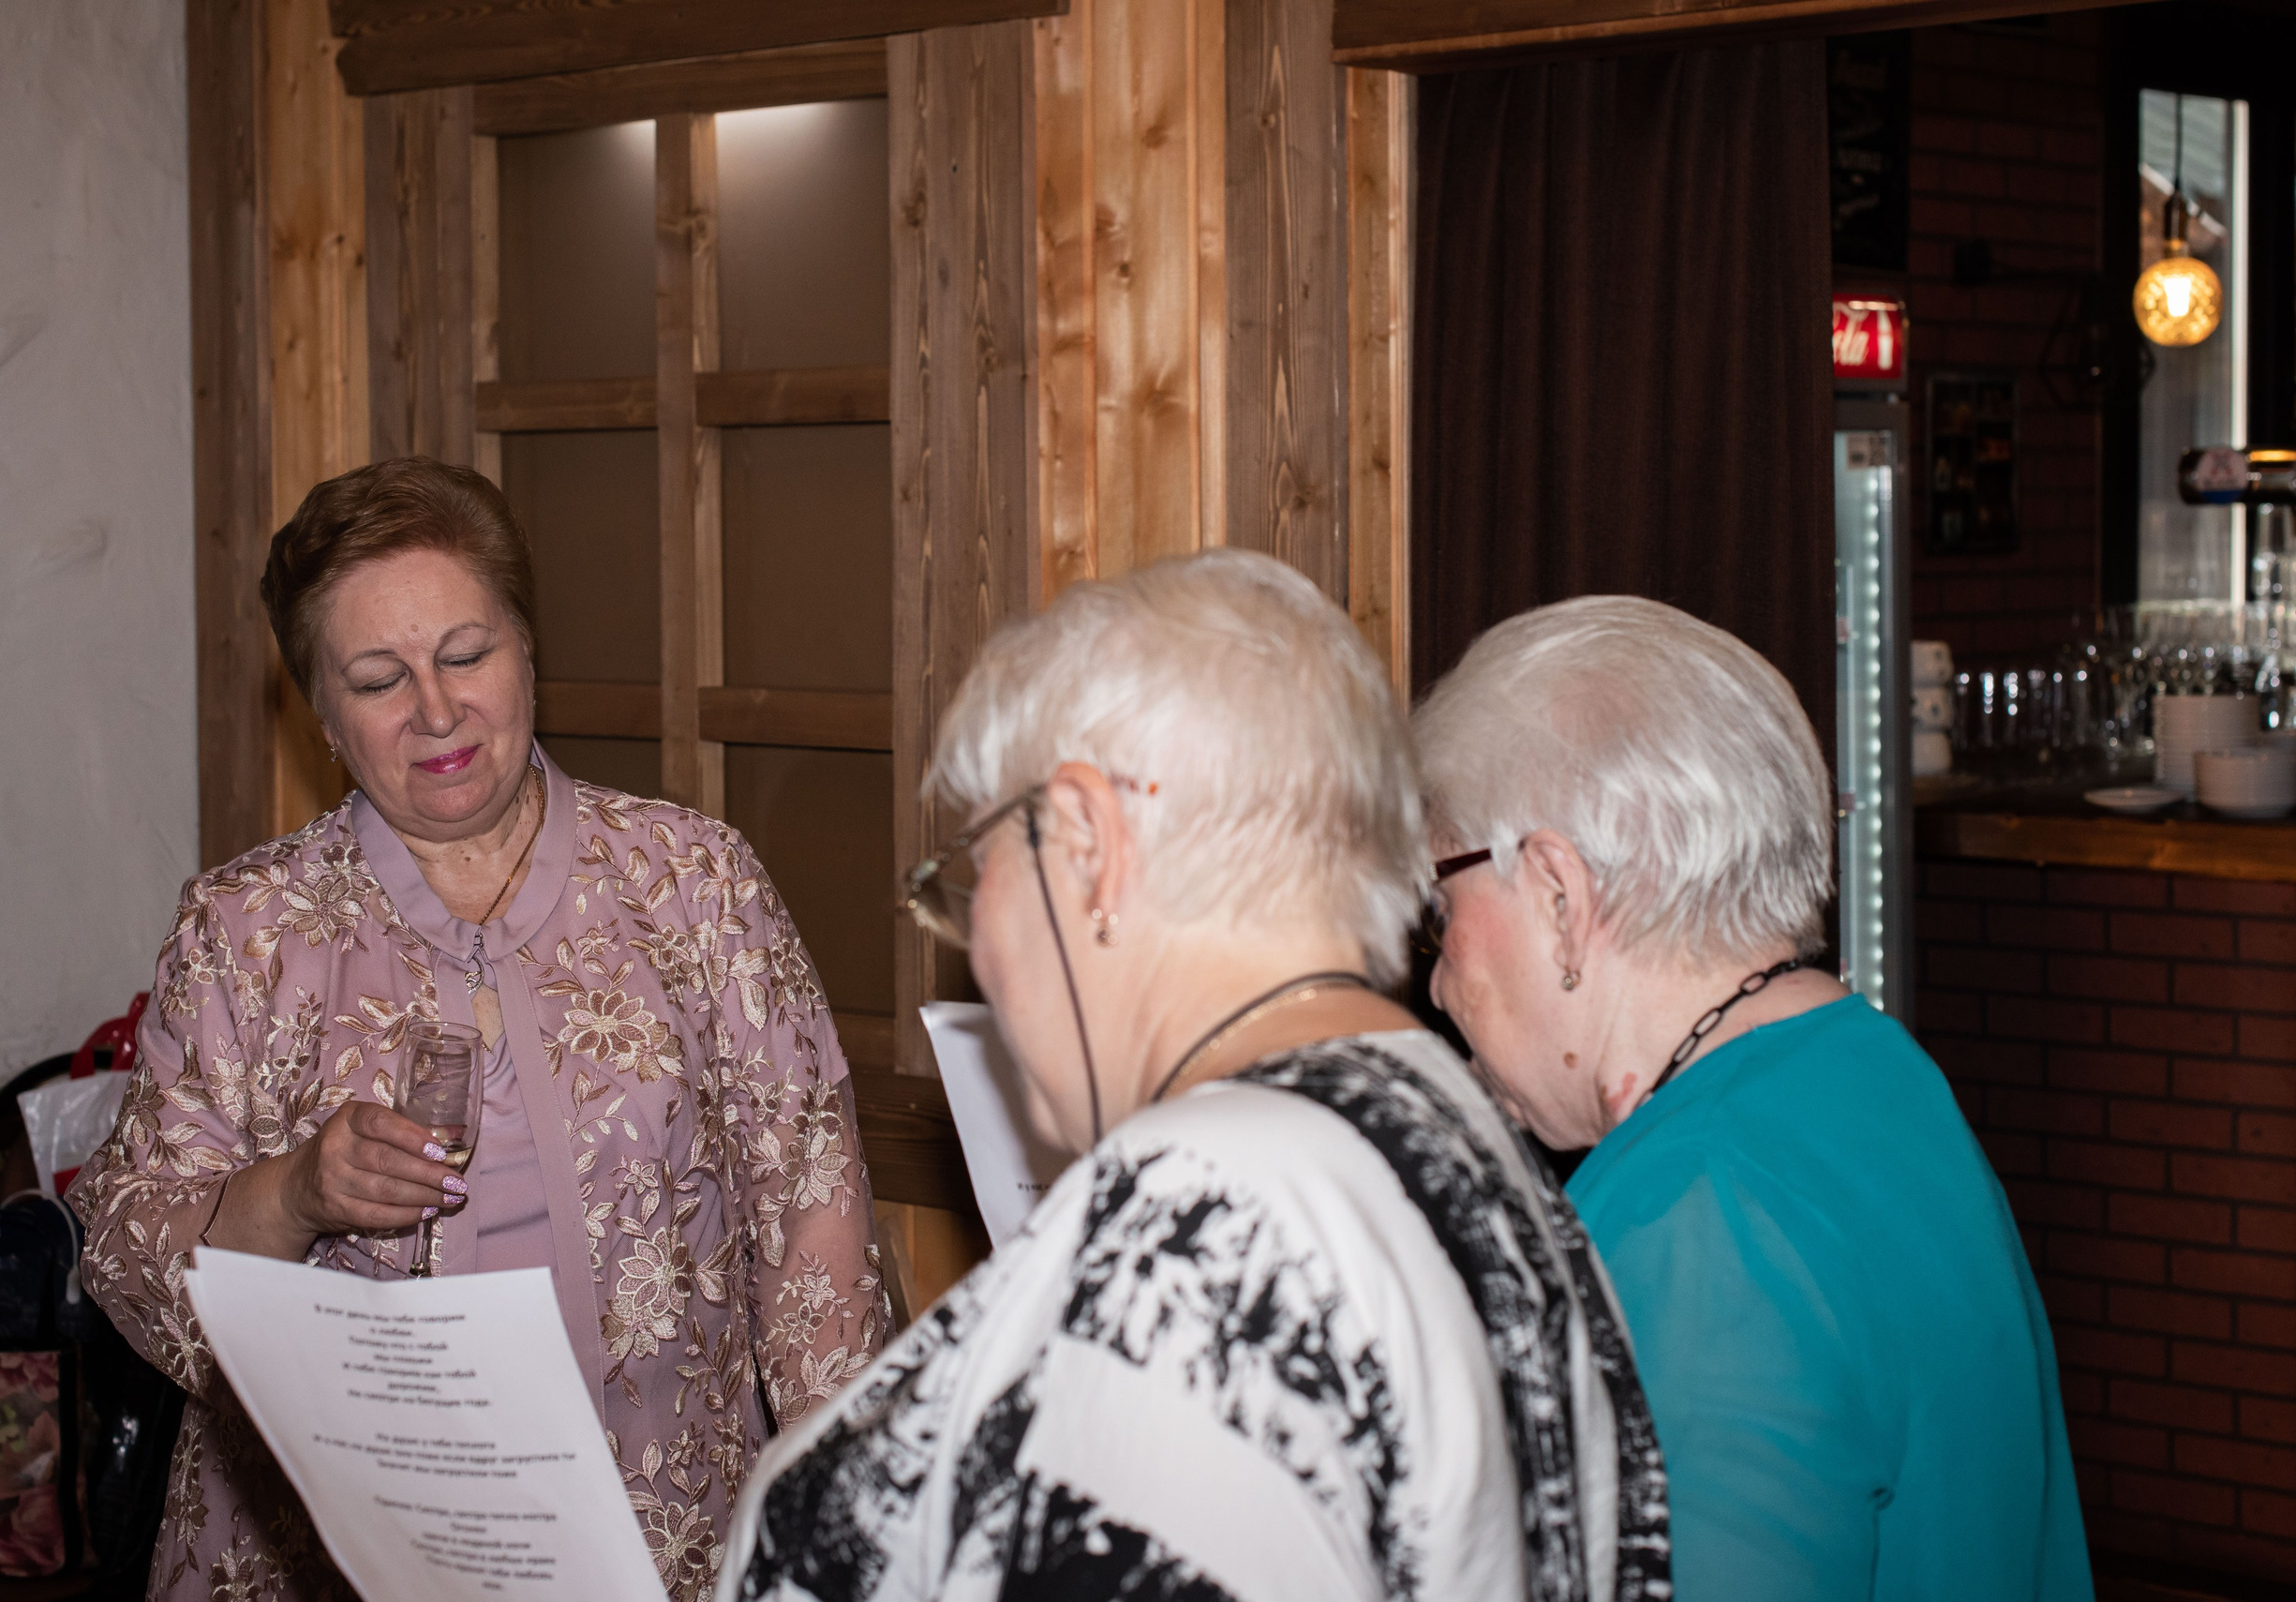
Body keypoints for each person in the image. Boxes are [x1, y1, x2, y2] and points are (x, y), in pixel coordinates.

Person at [716, 549, 1671, 1602]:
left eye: (980, 872)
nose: (973, 940)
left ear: (1087, 842)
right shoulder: (1469, 1145)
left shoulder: (1214, 1215)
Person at [69, 457, 885, 1602]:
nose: (438, 710)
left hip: (663, 1541)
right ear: (321, 712)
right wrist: (297, 1190)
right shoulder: (246, 930)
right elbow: (126, 1250)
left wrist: (838, 1531)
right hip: (328, 1556)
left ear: (528, 654)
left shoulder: (695, 882)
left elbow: (813, 1223)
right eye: (379, 676)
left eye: (465, 654)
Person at [1413, 595, 2091, 1602]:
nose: (1436, 976)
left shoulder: (1693, 1221)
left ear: (1559, 893)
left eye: (1442, 902)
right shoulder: (1875, 1068)